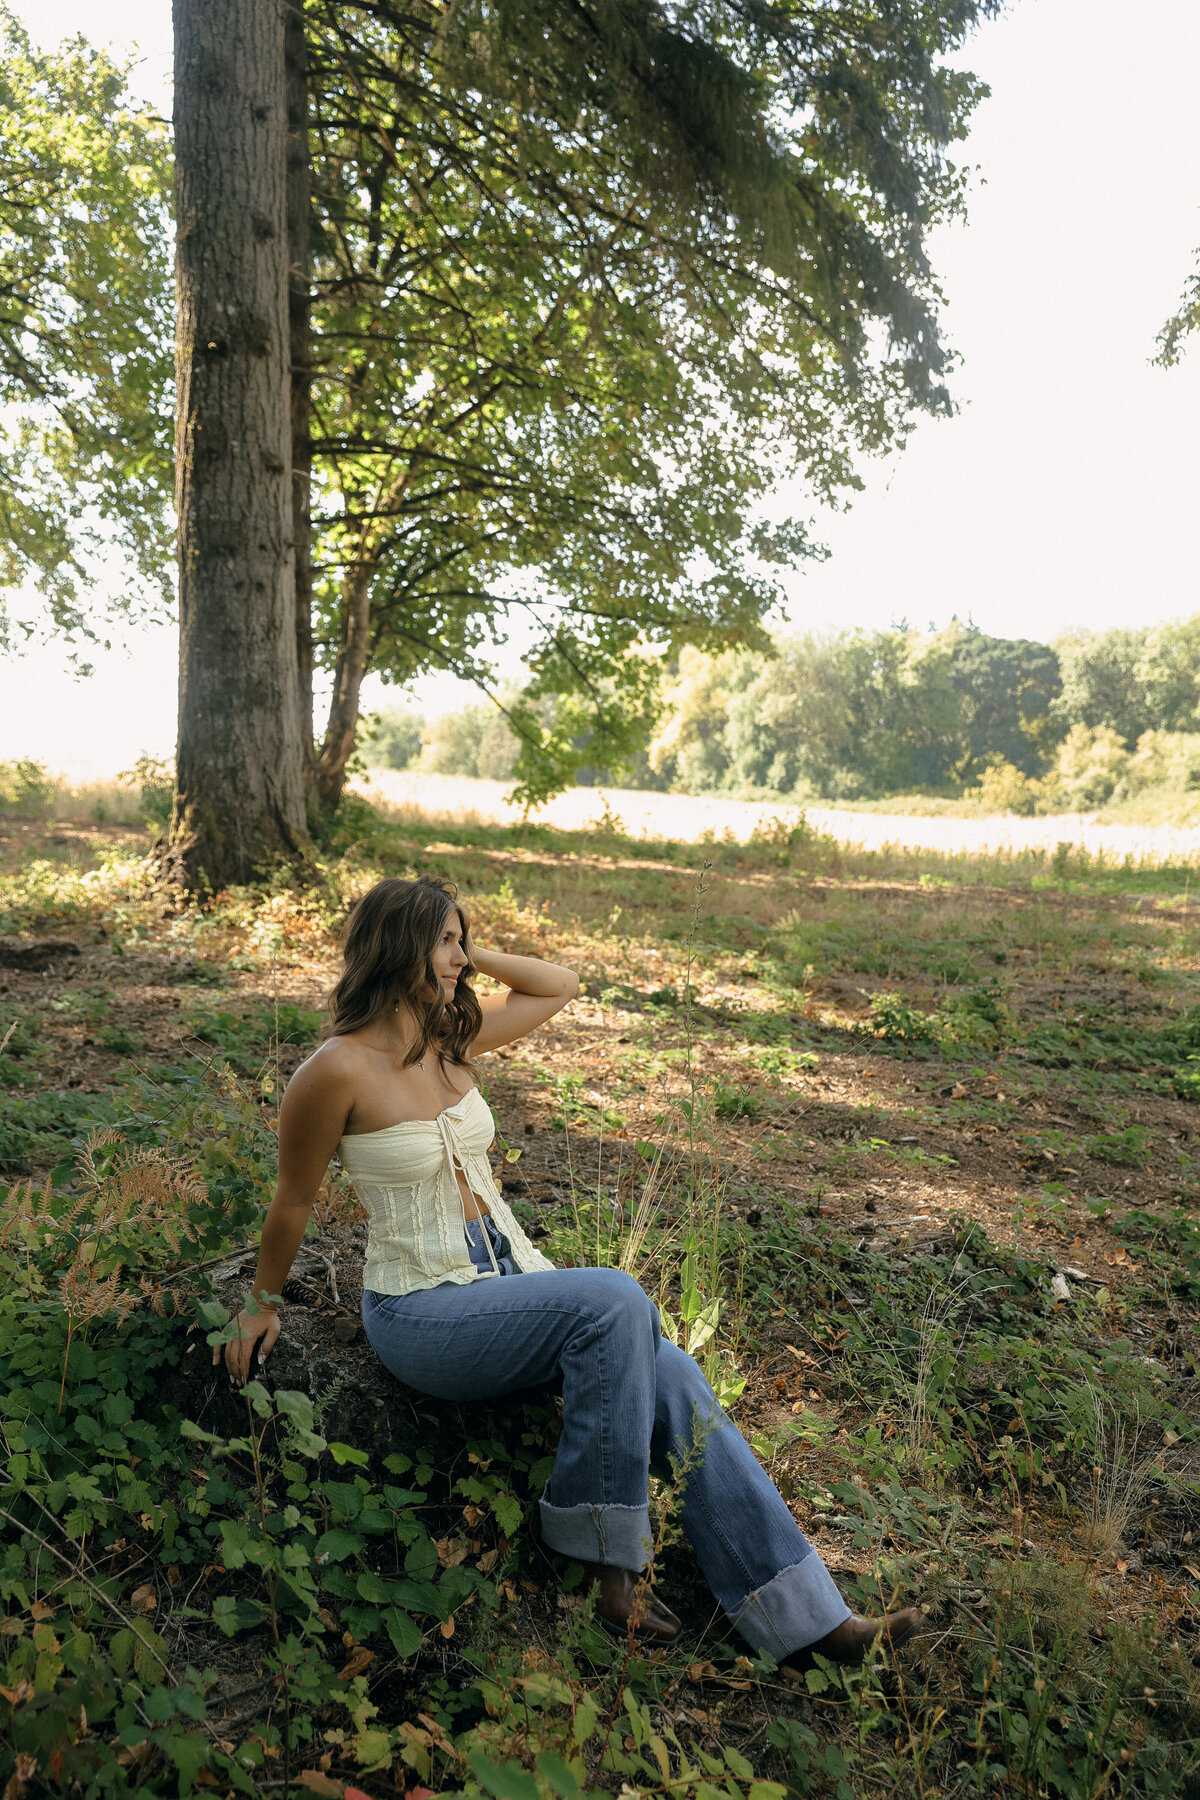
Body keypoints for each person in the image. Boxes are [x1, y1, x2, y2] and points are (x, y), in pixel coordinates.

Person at [219, 875, 922, 1668]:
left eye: (461, 940)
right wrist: (259, 1303)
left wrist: (464, 948)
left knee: (675, 1373)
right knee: (616, 1300)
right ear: (397, 948)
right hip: (420, 1309)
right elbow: (292, 1203)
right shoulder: (335, 1070)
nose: (460, 959)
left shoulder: (452, 1039)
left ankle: (810, 1622)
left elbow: (558, 986)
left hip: (506, 1281)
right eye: (445, 942)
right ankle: (604, 1561)